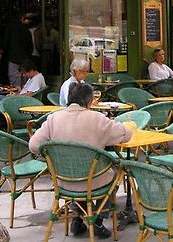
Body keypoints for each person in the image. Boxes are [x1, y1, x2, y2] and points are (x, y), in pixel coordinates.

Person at [29, 83, 132, 238]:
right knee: (115, 173)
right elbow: (126, 135)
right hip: (93, 180)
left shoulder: (53, 119)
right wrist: (129, 126)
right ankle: (97, 219)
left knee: (83, 178)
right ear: (90, 101)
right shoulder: (97, 119)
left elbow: (34, 146)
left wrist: (52, 155)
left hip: (63, 181)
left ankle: (78, 218)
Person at [0, 59, 46, 129]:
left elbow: (29, 95)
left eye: (25, 73)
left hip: (21, 103)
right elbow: (27, 92)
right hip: (19, 100)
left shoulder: (37, 79)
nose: (24, 75)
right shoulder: (32, 78)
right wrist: (18, 92)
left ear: (31, 70)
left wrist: (15, 96)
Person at [0, 12, 34, 87]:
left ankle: (16, 97)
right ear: (22, 18)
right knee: (24, 82)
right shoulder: (26, 30)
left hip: (13, 59)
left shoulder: (10, 28)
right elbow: (30, 47)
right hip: (24, 60)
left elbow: (5, 43)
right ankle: (23, 96)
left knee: (14, 82)